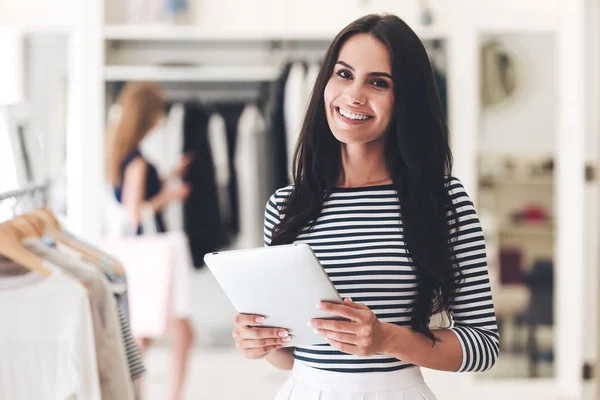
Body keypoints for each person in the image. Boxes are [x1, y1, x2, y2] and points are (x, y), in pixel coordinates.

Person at [232, 14, 499, 399]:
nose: (353, 95)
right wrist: (261, 341)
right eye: (343, 74)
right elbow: (291, 355)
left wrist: (386, 338)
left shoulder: (443, 201)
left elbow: (483, 345)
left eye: (378, 82)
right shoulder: (286, 205)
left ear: (406, 99)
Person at [106, 82, 195, 400]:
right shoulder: (138, 161)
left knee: (146, 330)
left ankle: (139, 393)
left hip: (143, 251)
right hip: (154, 252)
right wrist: (170, 195)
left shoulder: (122, 154)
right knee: (177, 331)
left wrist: (169, 175)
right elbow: (134, 212)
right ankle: (170, 395)